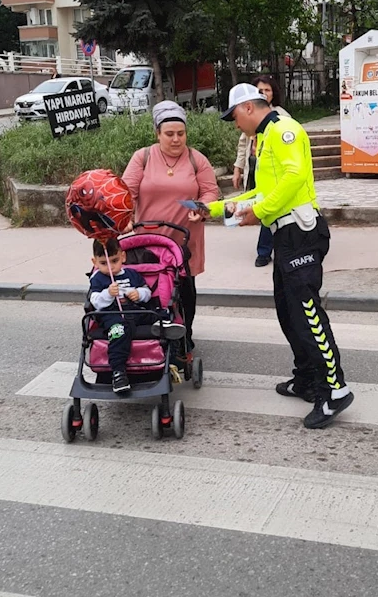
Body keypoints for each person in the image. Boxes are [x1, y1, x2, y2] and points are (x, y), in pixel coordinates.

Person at [208, 84, 354, 430]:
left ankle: (335, 390)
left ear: (246, 108)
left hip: (301, 233)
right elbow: (261, 190)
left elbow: (294, 176)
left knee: (307, 315)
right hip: (285, 236)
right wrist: (213, 209)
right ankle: (305, 379)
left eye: (233, 117)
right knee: (288, 314)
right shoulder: (267, 135)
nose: (234, 125)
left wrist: (261, 211)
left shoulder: (285, 130)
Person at [122, 100, 219, 351]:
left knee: (185, 290)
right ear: (157, 133)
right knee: (149, 287)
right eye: (169, 134)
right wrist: (126, 218)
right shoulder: (143, 157)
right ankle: (149, 334)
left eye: (181, 133)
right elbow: (126, 192)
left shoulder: (197, 160)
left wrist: (202, 208)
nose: (176, 139)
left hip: (185, 240)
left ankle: (184, 335)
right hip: (148, 240)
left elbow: (210, 191)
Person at [89, 237, 184, 393]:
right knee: (119, 332)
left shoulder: (132, 274)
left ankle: (164, 328)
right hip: (111, 314)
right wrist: (107, 294)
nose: (110, 267)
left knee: (158, 313)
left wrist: (139, 294)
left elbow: (147, 292)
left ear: (123, 257)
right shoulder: (98, 278)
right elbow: (95, 302)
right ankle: (118, 373)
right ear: (95, 262)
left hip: (135, 310)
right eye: (104, 263)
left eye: (114, 261)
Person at [232, 75, 289, 268]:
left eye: (267, 90)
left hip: (275, 173)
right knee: (262, 203)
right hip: (256, 168)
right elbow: (242, 145)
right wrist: (238, 168)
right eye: (260, 91)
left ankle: (266, 251)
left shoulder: (283, 120)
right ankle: (268, 250)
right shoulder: (249, 122)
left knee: (268, 206)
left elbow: (294, 174)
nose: (264, 94)